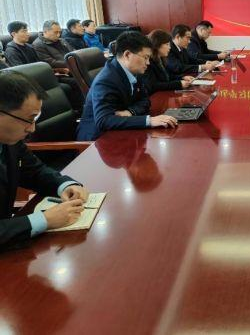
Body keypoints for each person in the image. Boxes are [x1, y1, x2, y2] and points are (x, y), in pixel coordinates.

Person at [0, 71, 89, 249]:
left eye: (35, 118)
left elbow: (34, 171)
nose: (32, 129)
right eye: (28, 120)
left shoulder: (10, 141)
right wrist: (44, 220)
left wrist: (64, 185)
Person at [77, 31, 178, 141]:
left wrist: (130, 112)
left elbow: (145, 101)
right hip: (97, 140)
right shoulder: (106, 80)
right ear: (127, 55)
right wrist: (148, 121)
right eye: (145, 57)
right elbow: (104, 120)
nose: (148, 63)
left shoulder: (134, 72)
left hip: (121, 131)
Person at [143, 29, 195, 94]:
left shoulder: (161, 59)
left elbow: (168, 76)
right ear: (157, 45)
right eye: (167, 44)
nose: (169, 48)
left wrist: (183, 77)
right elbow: (153, 85)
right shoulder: (148, 62)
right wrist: (179, 84)